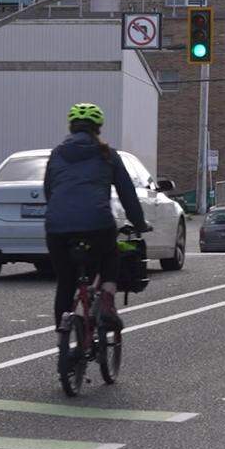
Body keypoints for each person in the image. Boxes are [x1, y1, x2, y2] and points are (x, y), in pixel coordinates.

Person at [43, 103, 147, 339]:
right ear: (97, 128)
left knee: (66, 281)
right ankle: (108, 300)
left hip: (57, 228)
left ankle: (63, 334)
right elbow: (127, 194)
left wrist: (61, 215)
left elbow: (49, 191)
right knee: (110, 254)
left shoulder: (57, 153)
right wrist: (140, 224)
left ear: (71, 127)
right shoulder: (107, 154)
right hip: (97, 224)